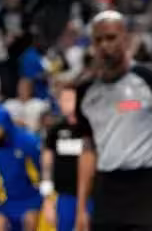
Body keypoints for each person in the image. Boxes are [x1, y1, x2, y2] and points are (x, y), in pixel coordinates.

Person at [74, 10, 152, 231]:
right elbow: (88, 148)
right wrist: (81, 208)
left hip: (149, 188)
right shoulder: (85, 90)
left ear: (126, 39)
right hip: (106, 191)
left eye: (111, 38)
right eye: (98, 40)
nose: (104, 45)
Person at [0, 104, 42, 231]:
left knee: (30, 222)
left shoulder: (27, 141)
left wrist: (39, 198)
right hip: (3, 200)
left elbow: (39, 169)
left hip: (29, 198)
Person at [40, 84, 86, 231]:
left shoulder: (91, 129)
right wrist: (48, 200)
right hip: (65, 197)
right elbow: (46, 166)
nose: (64, 103)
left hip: (90, 196)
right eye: (62, 99)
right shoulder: (55, 131)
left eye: (69, 99)